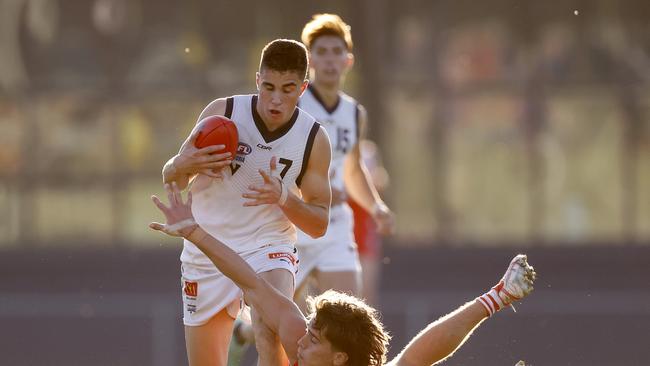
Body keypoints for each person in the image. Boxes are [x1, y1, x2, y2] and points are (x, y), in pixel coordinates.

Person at [150, 183, 537, 366]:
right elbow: (251, 280)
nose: (303, 341)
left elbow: (420, 356)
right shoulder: (297, 337)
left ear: (338, 359)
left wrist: (496, 298)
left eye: (314, 339)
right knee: (266, 321)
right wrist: (194, 231)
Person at [161, 39, 332, 366]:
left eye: (288, 88)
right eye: (268, 87)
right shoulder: (222, 113)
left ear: (304, 88)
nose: (275, 99)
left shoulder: (313, 139)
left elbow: (319, 224)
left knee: (270, 331)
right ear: (257, 80)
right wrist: (183, 165)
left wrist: (283, 197)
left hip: (268, 245)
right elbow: (172, 176)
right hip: (207, 246)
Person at [294, 13, 395, 312]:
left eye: (336, 52)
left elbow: (352, 169)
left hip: (335, 229)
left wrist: (376, 206)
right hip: (290, 231)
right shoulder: (293, 105)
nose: (329, 60)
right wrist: (312, 192)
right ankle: (246, 330)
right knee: (285, 335)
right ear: (309, 60)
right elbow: (276, 163)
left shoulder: (354, 113)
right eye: (321, 52)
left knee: (348, 319)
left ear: (348, 60)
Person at [348, 140, 391, 306]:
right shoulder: (335, 145)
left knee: (366, 298)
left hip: (365, 239)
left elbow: (379, 181)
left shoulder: (367, 150)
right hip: (342, 236)